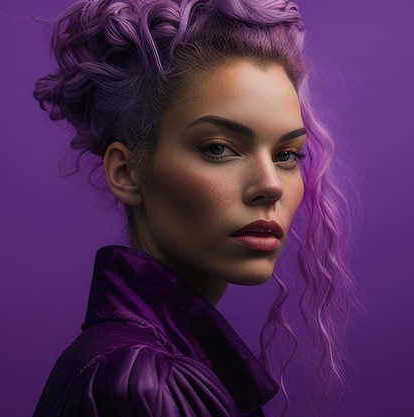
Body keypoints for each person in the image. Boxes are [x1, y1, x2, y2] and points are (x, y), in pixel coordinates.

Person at [32, 0, 359, 416]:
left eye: (287, 154)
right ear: (127, 172)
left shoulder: (146, 368)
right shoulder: (143, 386)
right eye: (219, 148)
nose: (270, 186)